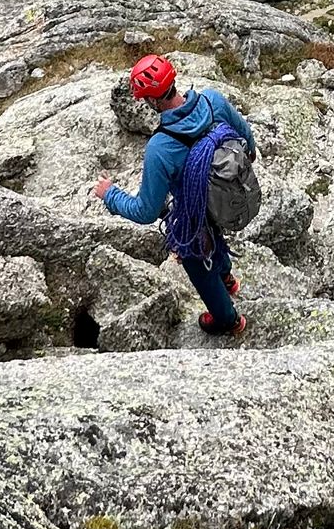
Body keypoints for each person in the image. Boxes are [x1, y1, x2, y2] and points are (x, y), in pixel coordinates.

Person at [93, 53, 256, 337]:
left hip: (195, 213)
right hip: (227, 191)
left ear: (151, 101)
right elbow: (246, 137)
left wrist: (111, 195)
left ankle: (228, 320)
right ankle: (227, 278)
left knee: (196, 259)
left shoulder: (161, 147)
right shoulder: (213, 100)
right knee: (215, 233)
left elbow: (145, 211)